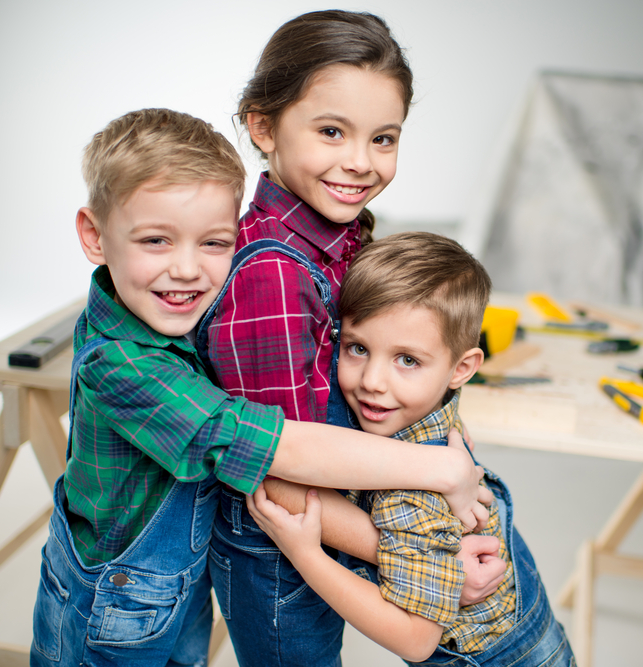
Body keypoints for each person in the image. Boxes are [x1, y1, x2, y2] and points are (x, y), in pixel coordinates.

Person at [29, 109, 490, 667]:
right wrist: (445, 472)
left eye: (214, 243)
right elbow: (277, 446)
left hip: (178, 584)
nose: (187, 270)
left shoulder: (172, 305)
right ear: (94, 236)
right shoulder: (122, 365)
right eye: (156, 240)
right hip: (112, 603)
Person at [198, 10, 506, 666]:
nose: (360, 163)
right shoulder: (274, 275)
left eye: (383, 138)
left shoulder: (342, 234)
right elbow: (278, 469)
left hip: (338, 519)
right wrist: (430, 552)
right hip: (281, 548)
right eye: (331, 132)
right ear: (262, 126)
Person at [250, 232, 577, 666]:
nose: (373, 381)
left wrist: (307, 554)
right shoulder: (432, 406)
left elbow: (415, 640)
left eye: (407, 360)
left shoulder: (411, 493)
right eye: (358, 348)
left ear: (461, 368)